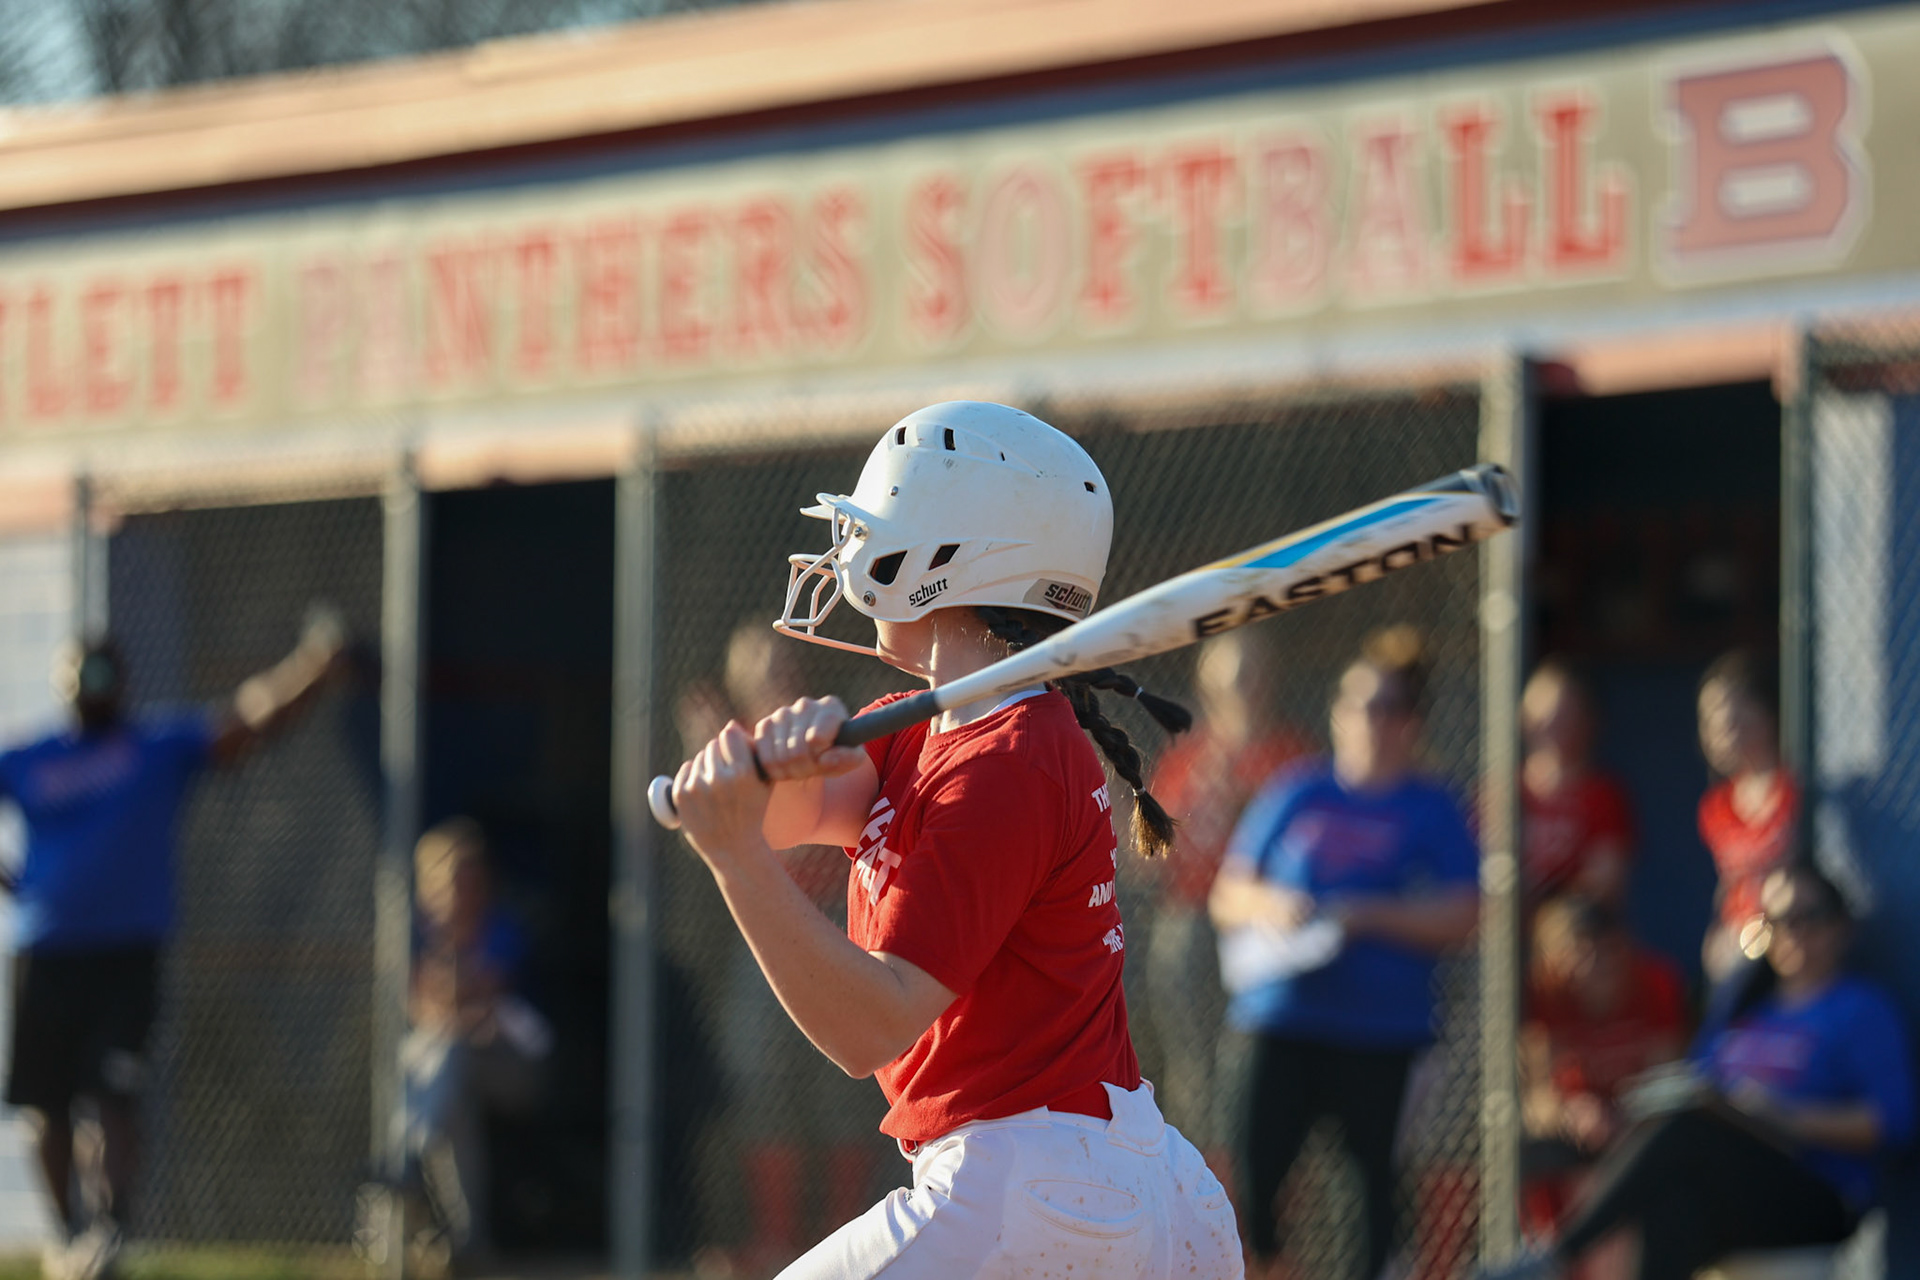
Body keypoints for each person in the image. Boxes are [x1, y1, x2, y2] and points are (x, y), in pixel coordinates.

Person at [666, 401, 1242, 1279]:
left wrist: (733, 856)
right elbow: (791, 818)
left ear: (946, 560)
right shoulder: (926, 729)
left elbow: (869, 1026)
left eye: (876, 532)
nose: (848, 555)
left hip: (1037, 1183)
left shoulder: (1010, 759)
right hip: (1074, 1179)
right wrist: (764, 776)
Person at [0, 621, 347, 1279]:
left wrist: (310, 665)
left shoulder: (154, 748)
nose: (89, 687)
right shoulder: (31, 757)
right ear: (61, 682)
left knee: (112, 1096)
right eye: (78, 674)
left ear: (123, 682)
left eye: (102, 673)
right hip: (46, 954)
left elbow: (249, 719)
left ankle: (109, 1233)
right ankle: (67, 1236)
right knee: (45, 1104)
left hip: (125, 955)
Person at [1482, 865, 1915, 1280]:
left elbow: (1894, 1121)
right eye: (1777, 920)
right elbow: (1697, 1082)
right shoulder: (1747, 1009)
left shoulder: (1861, 1008)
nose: (1792, 932)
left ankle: (1557, 1256)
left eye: (1809, 916)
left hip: (1817, 1193)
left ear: (1841, 926)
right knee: (1673, 1205)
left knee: (1688, 1131)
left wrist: (1785, 1117)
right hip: (1732, 1186)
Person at [1209, 625, 1480, 1280]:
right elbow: (1229, 892)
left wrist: (1369, 915)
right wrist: (1277, 906)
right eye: (1362, 704)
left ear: (1412, 723)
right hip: (1281, 1018)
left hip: (1381, 1031)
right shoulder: (1298, 789)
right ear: (1337, 711)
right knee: (1257, 1174)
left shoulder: (1433, 807)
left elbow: (1463, 913)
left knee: (1371, 1189)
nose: (1374, 722)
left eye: (1391, 708)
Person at [676, 623, 889, 1274]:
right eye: (760, 671)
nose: (776, 679)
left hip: (839, 915)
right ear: (739, 687)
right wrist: (702, 747)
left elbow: (808, 842)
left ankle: (842, 1232)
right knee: (763, 1078)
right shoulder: (734, 751)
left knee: (841, 1086)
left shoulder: (816, 735)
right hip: (762, 926)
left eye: (783, 667)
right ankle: (776, 1235)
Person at [1140, 631, 1307, 1163]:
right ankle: (1199, 1167)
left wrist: (1245, 806)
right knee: (1196, 1064)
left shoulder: (1291, 755)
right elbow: (1151, 854)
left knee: (1255, 1059)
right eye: (1230, 680)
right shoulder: (1189, 759)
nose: (1242, 690)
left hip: (1260, 926)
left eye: (1251, 676)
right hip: (1192, 920)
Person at [399, 817, 551, 1275]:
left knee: (439, 1056)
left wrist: (451, 961)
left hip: (520, 1067)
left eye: (469, 879)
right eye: (450, 881)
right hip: (456, 1072)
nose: (462, 891)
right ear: (431, 888)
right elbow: (421, 1007)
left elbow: (474, 997)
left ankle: (406, 1159)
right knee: (449, 1099)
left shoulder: (502, 929)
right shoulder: (421, 936)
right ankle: (469, 1240)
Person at [1519, 897, 1685, 1236]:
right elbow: (1536, 1101)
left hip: (1636, 1127)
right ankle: (1551, 1255)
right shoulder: (1542, 996)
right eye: (1578, 953)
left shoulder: (1656, 982)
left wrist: (1623, 1116)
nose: (1594, 965)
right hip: (1572, 1138)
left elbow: (1665, 1083)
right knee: (1531, 1154)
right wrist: (1572, 1113)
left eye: (1605, 950)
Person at [1695, 649, 1798, 984]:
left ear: (1767, 714)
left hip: (1792, 937)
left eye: (1732, 715)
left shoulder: (1794, 788)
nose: (1721, 730)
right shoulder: (1715, 805)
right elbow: (1731, 883)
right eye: (1709, 720)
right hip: (1740, 943)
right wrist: (1719, 933)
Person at [1520, 662, 1633, 911]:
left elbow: (1603, 884)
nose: (1552, 722)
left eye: (1565, 712)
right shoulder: (1500, 791)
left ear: (1588, 720)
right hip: (1501, 934)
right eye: (1543, 711)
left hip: (1568, 936)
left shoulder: (1603, 796)